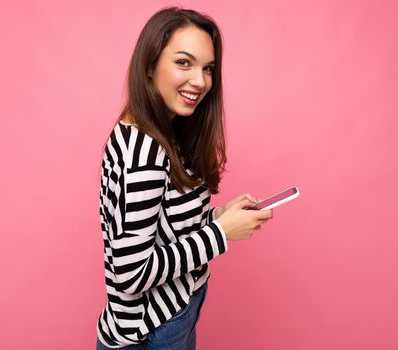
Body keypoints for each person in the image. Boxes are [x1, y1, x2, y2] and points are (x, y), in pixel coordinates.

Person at [96, 7, 273, 349]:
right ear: (150, 65)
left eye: (208, 68)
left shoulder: (163, 130)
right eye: (183, 63)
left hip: (178, 308)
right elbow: (132, 273)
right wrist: (220, 234)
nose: (201, 81)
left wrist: (217, 217)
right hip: (155, 329)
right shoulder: (143, 153)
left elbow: (162, 229)